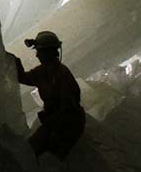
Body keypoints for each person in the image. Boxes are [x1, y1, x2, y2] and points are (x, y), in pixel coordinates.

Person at [7, 31, 85, 160]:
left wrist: (53, 130)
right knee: (32, 151)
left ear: (49, 53)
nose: (37, 55)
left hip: (69, 124)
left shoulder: (62, 74)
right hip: (55, 122)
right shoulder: (41, 72)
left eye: (40, 52)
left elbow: (68, 108)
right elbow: (23, 78)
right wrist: (15, 61)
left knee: (44, 155)